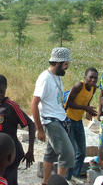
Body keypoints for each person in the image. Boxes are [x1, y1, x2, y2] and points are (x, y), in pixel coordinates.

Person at [31, 47, 75, 184]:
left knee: (50, 154)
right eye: (66, 64)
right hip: (51, 121)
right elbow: (34, 104)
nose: (67, 67)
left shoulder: (57, 76)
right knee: (68, 154)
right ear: (58, 63)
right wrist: (39, 128)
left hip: (60, 119)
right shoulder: (45, 78)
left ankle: (46, 182)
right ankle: (59, 182)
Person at [0, 74, 35, 185]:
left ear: (6, 89)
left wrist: (30, 150)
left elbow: (31, 124)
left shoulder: (11, 107)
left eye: (1, 92)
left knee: (3, 180)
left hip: (11, 154)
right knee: (10, 180)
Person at [65, 68, 98, 182]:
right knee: (72, 151)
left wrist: (88, 111)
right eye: (91, 77)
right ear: (85, 78)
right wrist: (85, 108)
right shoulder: (79, 85)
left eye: (95, 78)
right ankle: (67, 178)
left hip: (78, 121)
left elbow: (87, 101)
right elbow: (68, 102)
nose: (93, 80)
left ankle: (75, 174)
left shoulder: (93, 88)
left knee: (82, 151)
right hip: (68, 119)